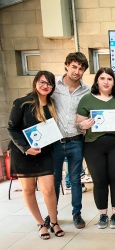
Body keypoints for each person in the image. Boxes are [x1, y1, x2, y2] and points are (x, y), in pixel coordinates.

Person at [7, 71, 65, 239]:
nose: (45, 86)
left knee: (48, 189)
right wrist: (25, 148)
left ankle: (54, 222)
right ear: (35, 83)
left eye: (49, 83)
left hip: (44, 153)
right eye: (42, 82)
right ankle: (40, 224)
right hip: (23, 153)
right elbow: (12, 128)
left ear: (52, 87)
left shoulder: (52, 104)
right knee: (29, 189)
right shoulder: (22, 103)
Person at [76, 67, 115, 229]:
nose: (106, 82)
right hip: (93, 146)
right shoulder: (86, 99)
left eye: (109, 79)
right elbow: (79, 126)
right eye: (103, 78)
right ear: (97, 80)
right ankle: (103, 215)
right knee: (99, 181)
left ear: (114, 82)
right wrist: (82, 125)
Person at [51, 52, 90, 229]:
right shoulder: (53, 86)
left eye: (81, 68)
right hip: (55, 142)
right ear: (67, 65)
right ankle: (52, 216)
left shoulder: (86, 90)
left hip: (76, 141)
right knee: (54, 180)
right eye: (74, 66)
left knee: (75, 179)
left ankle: (77, 214)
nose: (77, 71)